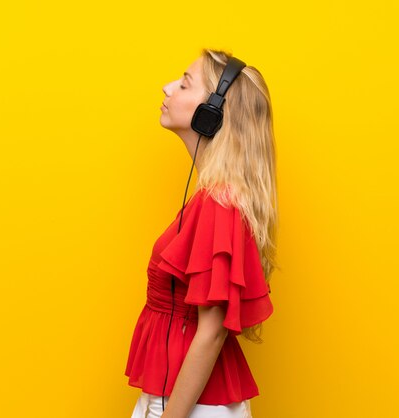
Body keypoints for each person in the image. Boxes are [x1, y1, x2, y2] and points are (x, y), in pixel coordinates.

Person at [125, 48, 279, 418]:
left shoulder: (219, 203)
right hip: (176, 398)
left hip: (188, 407)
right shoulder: (212, 198)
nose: (167, 88)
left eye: (184, 82)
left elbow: (212, 332)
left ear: (212, 112)